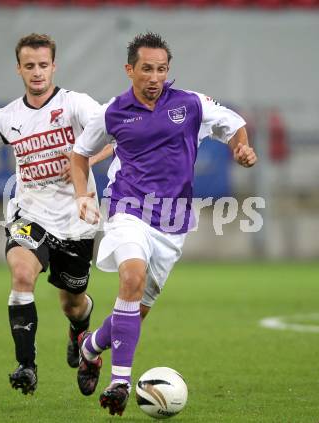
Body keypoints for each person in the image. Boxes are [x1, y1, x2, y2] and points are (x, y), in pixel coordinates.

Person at [70, 32, 257, 416]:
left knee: (134, 310)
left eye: (161, 69)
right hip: (128, 209)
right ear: (130, 70)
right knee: (131, 279)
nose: (154, 77)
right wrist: (83, 196)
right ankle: (120, 382)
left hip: (173, 223)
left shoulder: (190, 103)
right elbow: (79, 154)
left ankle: (90, 348)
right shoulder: (112, 112)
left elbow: (234, 123)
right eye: (146, 69)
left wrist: (240, 146)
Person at [0, 33, 112, 396]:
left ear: (54, 66)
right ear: (19, 69)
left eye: (44, 65)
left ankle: (79, 333)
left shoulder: (76, 105)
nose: (37, 72)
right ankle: (26, 365)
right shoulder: (5, 118)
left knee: (72, 303)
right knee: (22, 273)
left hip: (77, 219)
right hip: (30, 214)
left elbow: (112, 135)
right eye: (30, 66)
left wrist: (81, 161)